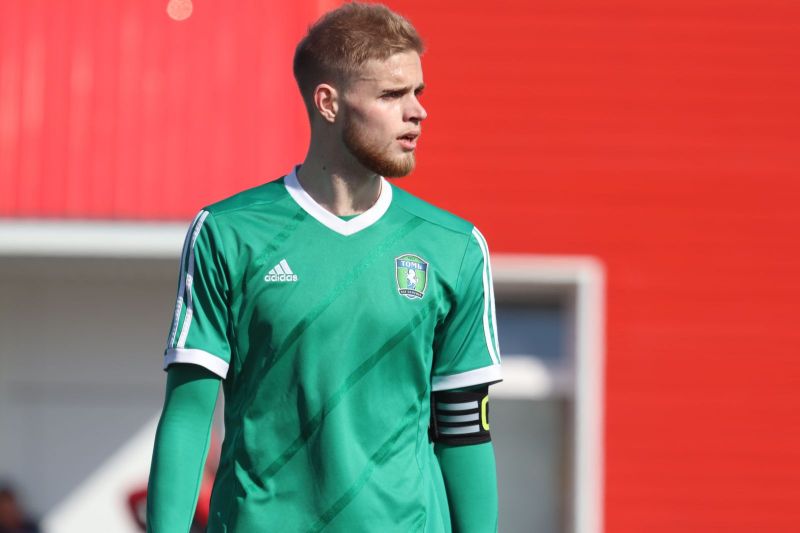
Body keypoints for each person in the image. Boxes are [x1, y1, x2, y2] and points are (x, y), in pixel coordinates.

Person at [147, 3, 502, 532]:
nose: (417, 111)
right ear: (328, 102)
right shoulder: (229, 232)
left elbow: (464, 427)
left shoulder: (454, 247)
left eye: (418, 92)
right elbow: (188, 416)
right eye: (391, 95)